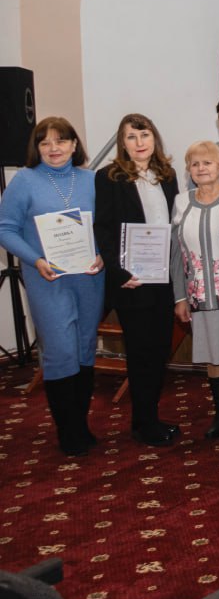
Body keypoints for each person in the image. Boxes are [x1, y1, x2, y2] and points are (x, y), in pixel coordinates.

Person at [0, 117, 104, 456]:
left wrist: (103, 254)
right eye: (45, 142)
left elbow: (107, 226)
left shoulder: (92, 180)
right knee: (60, 351)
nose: (53, 148)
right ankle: (68, 431)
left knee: (85, 348)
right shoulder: (24, 181)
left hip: (89, 278)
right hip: (47, 280)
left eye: (61, 141)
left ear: (74, 145)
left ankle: (81, 424)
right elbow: (5, 229)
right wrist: (36, 260)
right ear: (37, 148)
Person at [94, 114, 181, 447]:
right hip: (132, 281)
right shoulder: (109, 177)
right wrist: (119, 271)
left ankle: (149, 418)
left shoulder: (167, 176)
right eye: (131, 137)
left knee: (159, 351)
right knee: (141, 352)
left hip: (163, 278)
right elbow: (103, 229)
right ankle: (144, 424)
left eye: (144, 135)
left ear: (154, 138)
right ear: (123, 143)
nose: (139, 142)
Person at [172, 140, 219, 441]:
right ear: (189, 170)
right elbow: (176, 253)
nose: (201, 168)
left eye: (208, 163)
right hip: (199, 295)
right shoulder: (181, 201)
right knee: (213, 354)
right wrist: (179, 296)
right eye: (195, 164)